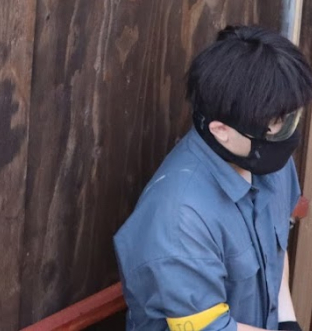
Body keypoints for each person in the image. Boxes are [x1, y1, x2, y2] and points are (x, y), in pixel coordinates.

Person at [114, 25, 312, 331]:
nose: (288, 133)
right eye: (276, 125)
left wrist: (287, 320)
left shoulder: (269, 161)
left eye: (292, 118)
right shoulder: (179, 218)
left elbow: (276, 250)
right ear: (222, 131)